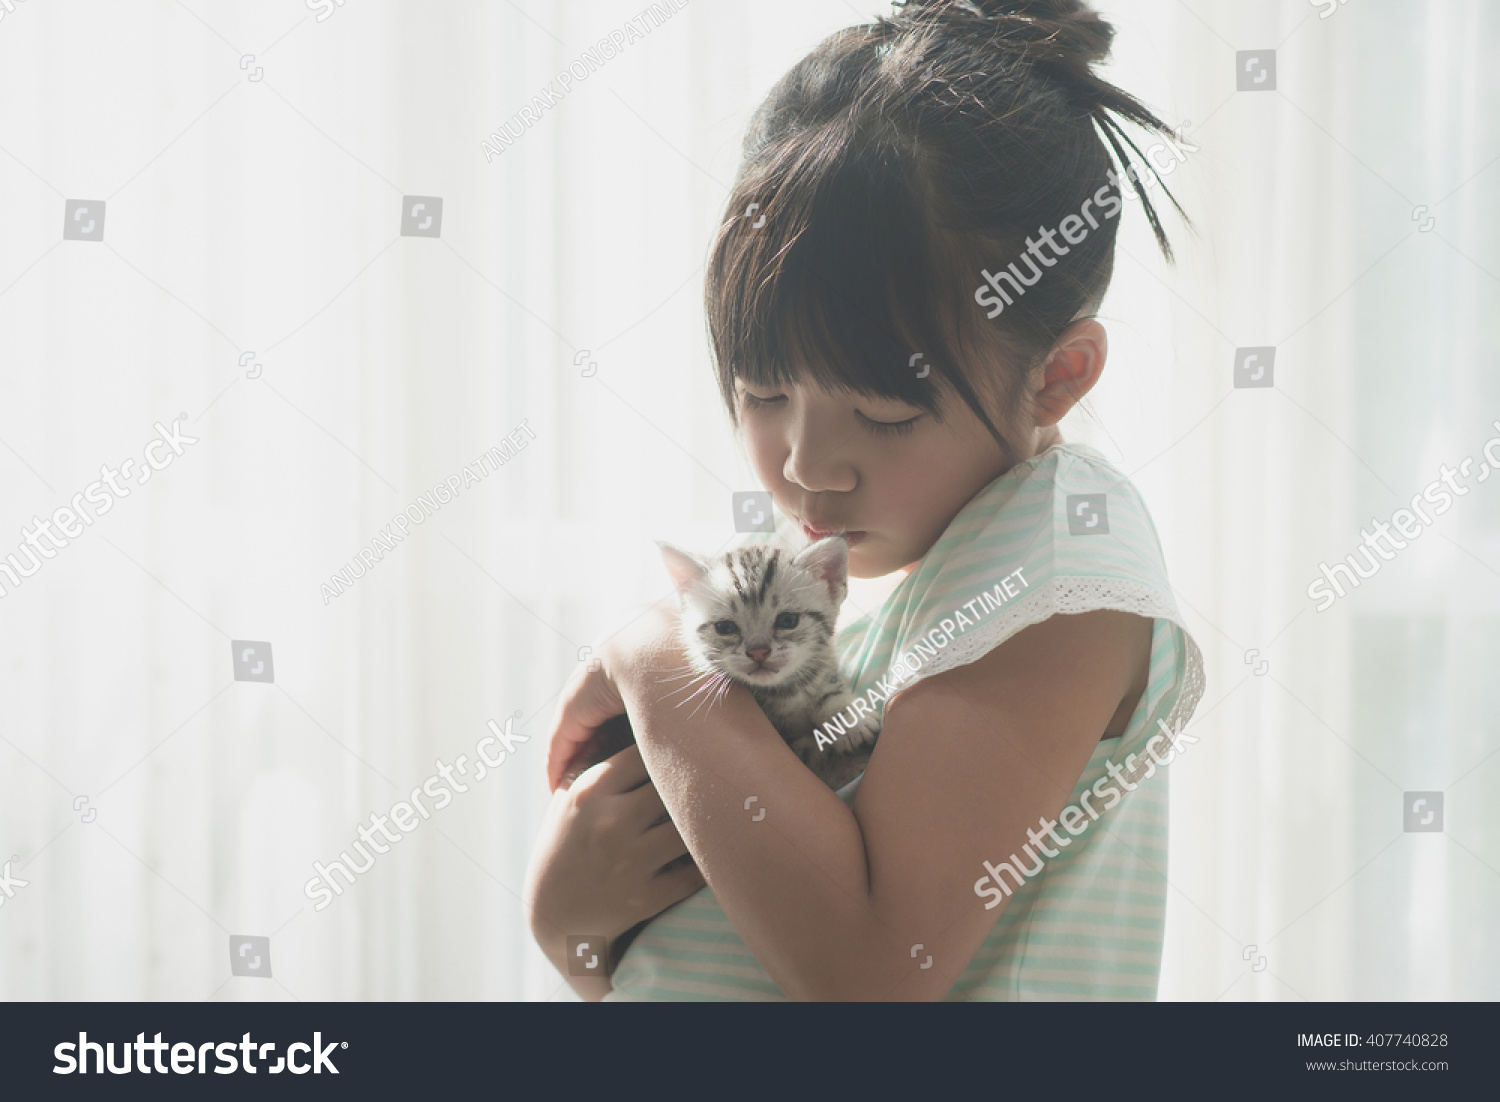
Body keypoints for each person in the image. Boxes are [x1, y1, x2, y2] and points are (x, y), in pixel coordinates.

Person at [524, 0, 1204, 1001]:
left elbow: (872, 977)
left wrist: (653, 652)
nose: (806, 466)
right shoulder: (870, 576)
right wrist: (569, 928)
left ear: (1057, 376)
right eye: (762, 394)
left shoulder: (1056, 556)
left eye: (882, 413)